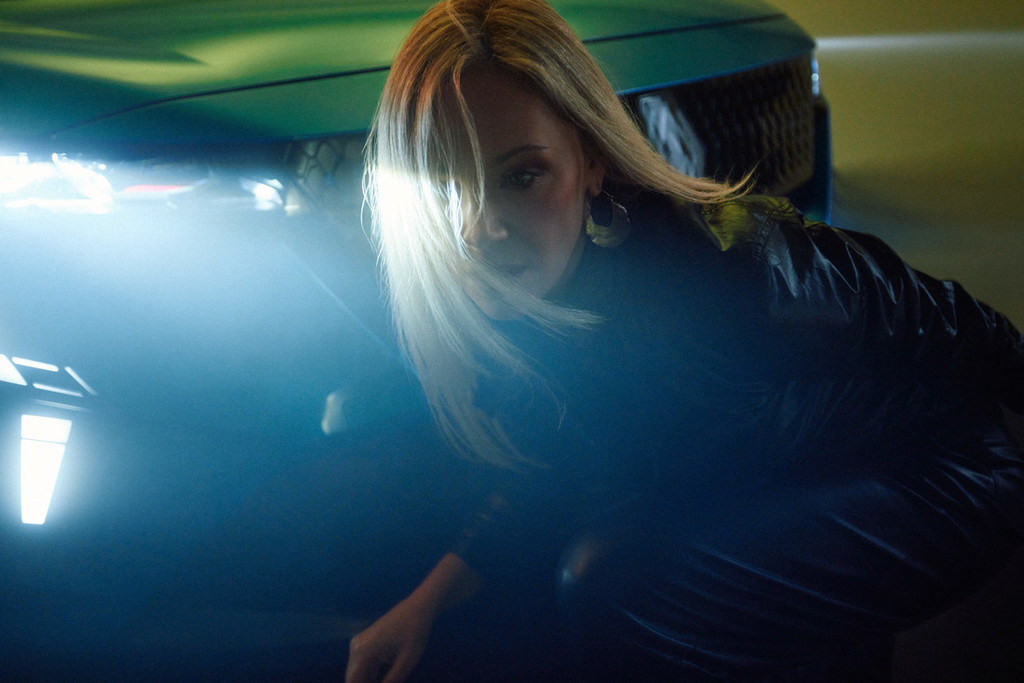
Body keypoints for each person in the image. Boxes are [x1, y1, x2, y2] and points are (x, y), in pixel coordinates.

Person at [346, 0, 1024, 680]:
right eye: (441, 182)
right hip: (778, 476)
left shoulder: (730, 267)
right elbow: (558, 467)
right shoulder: (526, 305)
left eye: (521, 176)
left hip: (939, 476)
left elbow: (961, 322)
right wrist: (425, 602)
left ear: (592, 160)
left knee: (613, 584)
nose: (478, 229)